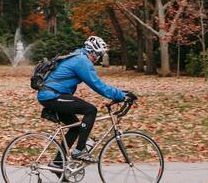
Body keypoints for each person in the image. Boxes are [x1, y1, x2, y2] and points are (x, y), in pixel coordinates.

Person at [37, 36, 136, 164]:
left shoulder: (77, 56)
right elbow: (98, 85)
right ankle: (80, 150)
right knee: (90, 110)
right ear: (93, 52)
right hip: (52, 96)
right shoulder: (82, 61)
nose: (97, 59)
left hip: (52, 95)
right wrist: (121, 96)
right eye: (98, 55)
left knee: (75, 127)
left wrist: (121, 93)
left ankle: (58, 163)